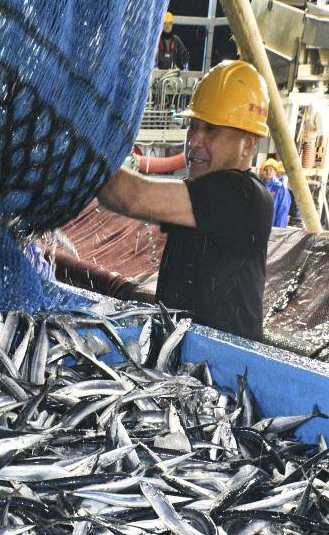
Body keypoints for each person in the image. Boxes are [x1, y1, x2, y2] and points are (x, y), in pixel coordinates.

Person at [98, 59, 274, 342]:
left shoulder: (242, 194)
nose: (194, 140)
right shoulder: (203, 191)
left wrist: (79, 149)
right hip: (185, 352)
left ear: (249, 143)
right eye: (194, 126)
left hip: (221, 367)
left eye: (212, 130)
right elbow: (120, 200)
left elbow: (130, 197)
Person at [259, 157, 291, 228]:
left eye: (271, 169)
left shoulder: (280, 188)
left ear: (275, 172)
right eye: (266, 169)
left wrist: (278, 231)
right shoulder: (259, 186)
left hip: (273, 227)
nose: (268, 171)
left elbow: (282, 212)